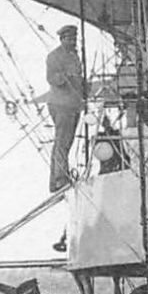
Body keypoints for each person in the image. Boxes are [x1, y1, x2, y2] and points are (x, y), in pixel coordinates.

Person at [45, 24, 85, 193]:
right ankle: (60, 178)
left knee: (66, 142)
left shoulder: (75, 55)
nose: (72, 42)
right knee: (62, 142)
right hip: (61, 104)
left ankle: (57, 179)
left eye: (74, 39)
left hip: (73, 104)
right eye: (69, 39)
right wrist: (65, 78)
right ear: (62, 39)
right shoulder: (54, 56)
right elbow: (51, 78)